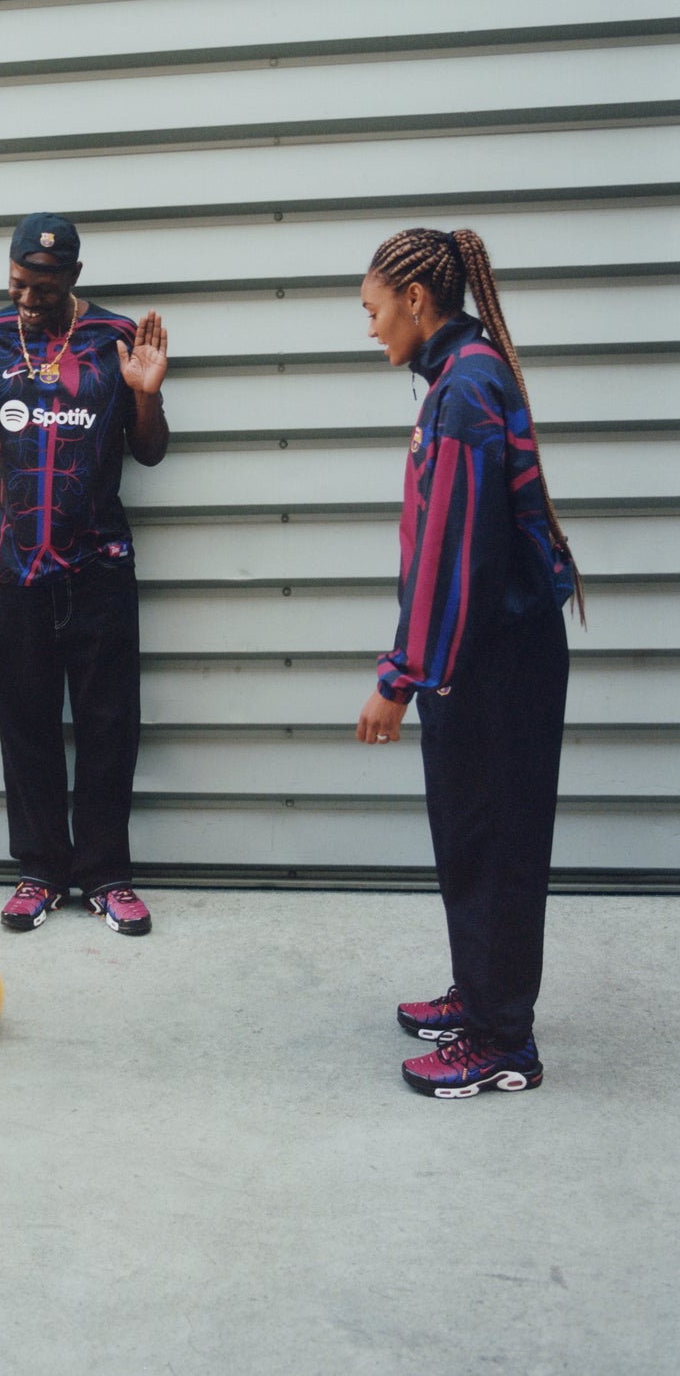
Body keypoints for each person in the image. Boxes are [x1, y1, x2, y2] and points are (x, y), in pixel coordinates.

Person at [356, 229, 584, 1098]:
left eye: (374, 309)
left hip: (498, 663)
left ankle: (501, 1040)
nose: (370, 327)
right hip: (478, 656)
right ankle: (479, 993)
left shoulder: (464, 389)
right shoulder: (458, 375)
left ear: (416, 300)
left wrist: (400, 676)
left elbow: (455, 555)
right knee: (470, 837)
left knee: (496, 846)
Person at [0, 213, 169, 934]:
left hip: (99, 566)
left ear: (74, 279)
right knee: (24, 728)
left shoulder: (116, 337)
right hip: (13, 570)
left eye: (45, 289)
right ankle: (40, 872)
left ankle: (107, 875)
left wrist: (146, 394)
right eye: (18, 283)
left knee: (109, 727)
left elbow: (150, 451)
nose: (28, 299)